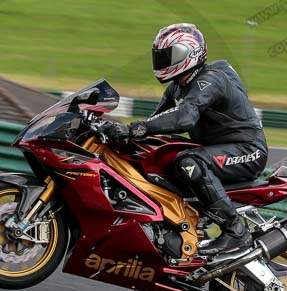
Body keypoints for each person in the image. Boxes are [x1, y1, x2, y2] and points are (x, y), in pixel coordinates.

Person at [104, 23, 267, 255]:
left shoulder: (210, 79)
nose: (160, 61)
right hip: (217, 150)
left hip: (247, 150)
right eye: (159, 56)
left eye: (168, 55)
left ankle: (236, 231)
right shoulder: (178, 87)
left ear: (188, 53)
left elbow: (185, 117)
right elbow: (157, 124)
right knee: (156, 157)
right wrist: (116, 132)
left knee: (188, 161)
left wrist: (134, 128)